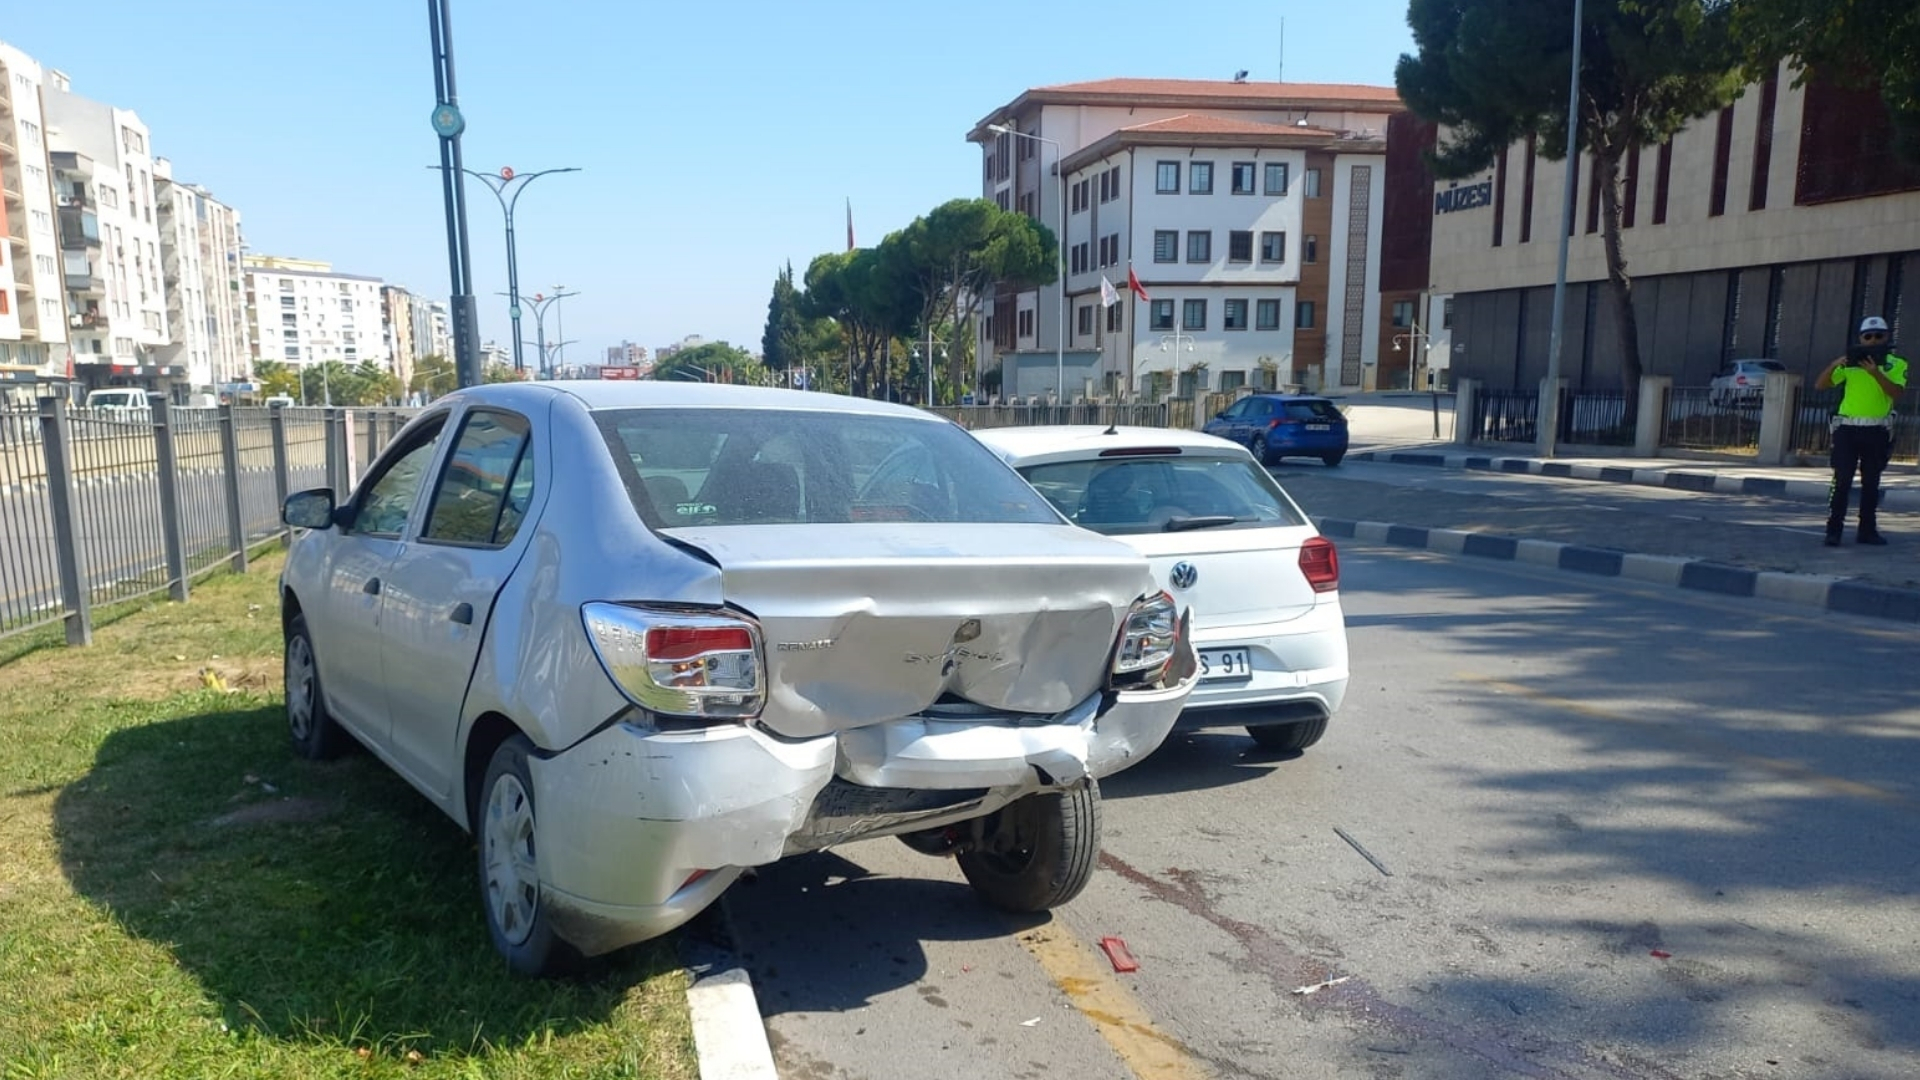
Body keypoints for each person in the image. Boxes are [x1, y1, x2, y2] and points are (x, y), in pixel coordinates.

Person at [1816, 315, 1908, 546]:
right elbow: (1821, 385)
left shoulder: (1896, 364)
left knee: (1871, 482)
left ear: (1887, 337)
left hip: (1876, 429)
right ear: (1860, 339)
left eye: (1879, 336)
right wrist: (1833, 366)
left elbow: (1896, 393)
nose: (1874, 341)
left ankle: (1867, 530)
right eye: (1868, 336)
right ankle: (1833, 530)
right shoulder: (1849, 365)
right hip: (1847, 429)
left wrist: (1875, 372)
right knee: (1842, 480)